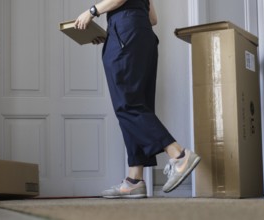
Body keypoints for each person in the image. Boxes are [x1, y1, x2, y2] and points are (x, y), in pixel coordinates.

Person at [75, 0, 200, 199]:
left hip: (125, 32)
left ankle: (179, 155)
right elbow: (153, 19)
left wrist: (93, 11)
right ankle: (135, 179)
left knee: (127, 105)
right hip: (141, 34)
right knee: (138, 105)